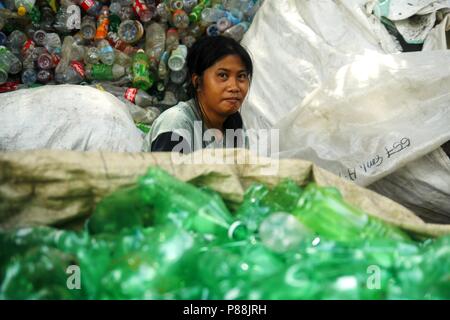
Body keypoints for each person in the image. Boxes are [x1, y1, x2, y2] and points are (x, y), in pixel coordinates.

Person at [145, 35, 253, 153]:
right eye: (223, 75)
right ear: (198, 82)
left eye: (241, 76)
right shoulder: (176, 123)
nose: (234, 87)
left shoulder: (235, 125)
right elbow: (164, 171)